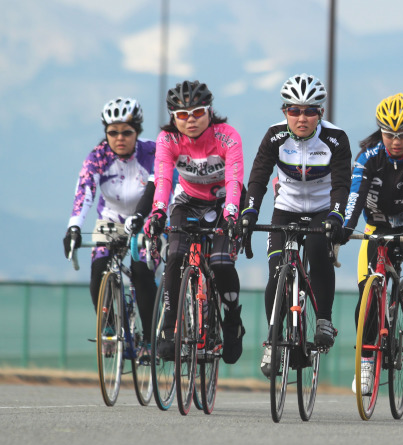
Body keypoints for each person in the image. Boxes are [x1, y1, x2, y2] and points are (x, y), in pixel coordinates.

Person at [238, 73, 352, 378]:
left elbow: (342, 185)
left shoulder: (335, 139)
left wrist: (337, 216)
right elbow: (258, 179)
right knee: (277, 272)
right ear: (285, 112)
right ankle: (273, 341)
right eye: (294, 110)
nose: (302, 118)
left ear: (321, 113)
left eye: (310, 110)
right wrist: (249, 212)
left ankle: (324, 319)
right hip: (285, 209)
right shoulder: (274, 136)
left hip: (321, 210)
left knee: (317, 250)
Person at [340, 93, 403, 394]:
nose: (396, 141)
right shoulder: (368, 157)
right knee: (366, 301)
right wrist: (345, 226)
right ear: (380, 131)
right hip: (378, 224)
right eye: (389, 134)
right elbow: (355, 195)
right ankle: (367, 365)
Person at [144, 80, 245, 364]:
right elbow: (163, 179)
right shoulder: (168, 140)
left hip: (225, 200)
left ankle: (232, 318)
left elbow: (234, 179)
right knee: (175, 255)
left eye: (198, 112)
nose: (190, 121)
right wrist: (158, 211)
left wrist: (231, 214)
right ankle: (169, 327)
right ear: (173, 117)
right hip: (187, 201)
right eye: (182, 115)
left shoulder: (227, 136)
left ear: (210, 111)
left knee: (221, 263)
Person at [62, 97, 158, 346]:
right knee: (98, 269)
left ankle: (149, 340)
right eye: (112, 133)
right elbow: (84, 192)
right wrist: (74, 226)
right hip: (111, 220)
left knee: (141, 273)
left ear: (137, 131)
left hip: (145, 221)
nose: (119, 138)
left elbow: (164, 188)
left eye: (127, 132)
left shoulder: (152, 152)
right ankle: (111, 330)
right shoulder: (98, 156)